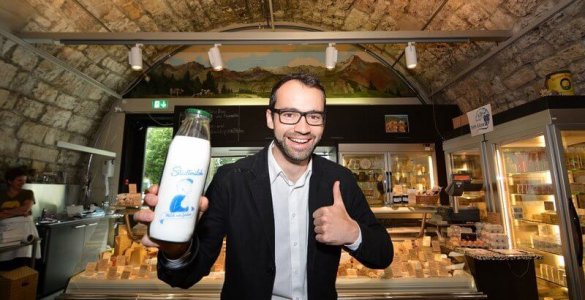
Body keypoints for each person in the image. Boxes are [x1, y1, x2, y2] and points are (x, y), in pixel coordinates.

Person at [135, 73, 393, 299]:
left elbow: (383, 255)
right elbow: (185, 276)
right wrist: (176, 247)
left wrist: (353, 233)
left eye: (314, 116)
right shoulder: (231, 180)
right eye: (290, 114)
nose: (303, 128)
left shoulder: (340, 181)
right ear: (271, 118)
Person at [0, 166, 38, 270]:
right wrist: (19, 211)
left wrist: (6, 212)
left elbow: (25, 209)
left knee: (22, 262)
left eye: (24, 180)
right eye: (19, 180)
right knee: (5, 261)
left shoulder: (28, 193)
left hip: (25, 230)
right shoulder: (1, 195)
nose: (23, 183)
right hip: (5, 231)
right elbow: (23, 211)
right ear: (9, 181)